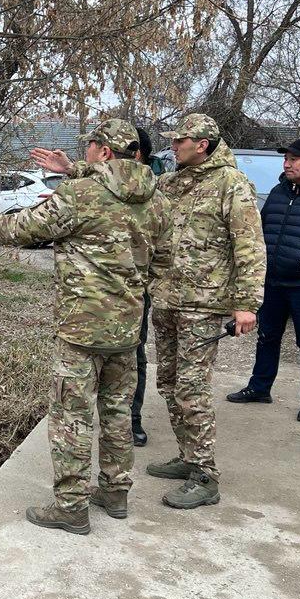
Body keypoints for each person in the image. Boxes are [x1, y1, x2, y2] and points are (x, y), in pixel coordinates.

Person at [0, 119, 170, 534]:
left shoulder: (80, 195)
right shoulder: (158, 200)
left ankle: (70, 506)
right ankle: (116, 492)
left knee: (71, 414)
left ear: (104, 151)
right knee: (117, 411)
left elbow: (22, 227)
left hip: (81, 330)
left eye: (90, 145)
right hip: (127, 330)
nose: (85, 151)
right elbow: (164, 263)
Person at [146, 113, 265, 510]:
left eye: (180, 141)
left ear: (202, 144)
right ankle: (186, 456)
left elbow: (248, 245)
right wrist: (75, 169)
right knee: (168, 383)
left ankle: (204, 475)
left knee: (192, 389)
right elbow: (130, 187)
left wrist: (247, 303)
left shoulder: (231, 184)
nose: (173, 146)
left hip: (202, 303)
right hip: (166, 298)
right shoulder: (171, 181)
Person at [226, 138, 300, 423]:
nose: (287, 163)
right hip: (272, 281)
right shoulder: (280, 191)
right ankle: (259, 388)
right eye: (286, 159)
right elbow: (263, 226)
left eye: (294, 159)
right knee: (267, 336)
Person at [130, 126, 156, 447]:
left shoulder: (154, 191)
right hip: (96, 293)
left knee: (134, 354)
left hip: (137, 290)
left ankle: (133, 417)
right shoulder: (93, 185)